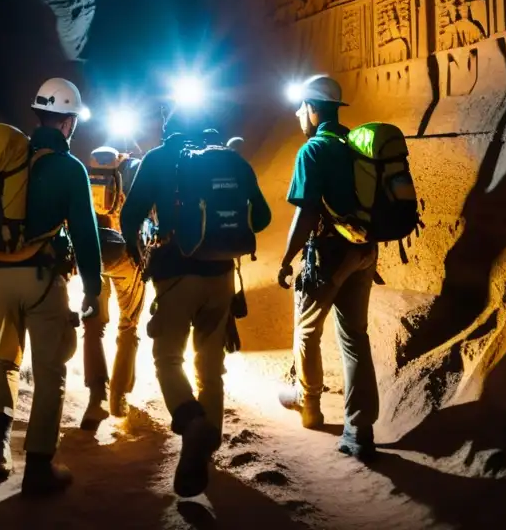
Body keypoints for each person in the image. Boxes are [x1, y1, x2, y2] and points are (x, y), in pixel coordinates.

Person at [121, 107, 272, 498]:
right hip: (221, 277)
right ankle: (205, 455)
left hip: (175, 274)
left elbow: (130, 215)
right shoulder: (228, 159)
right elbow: (263, 217)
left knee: (168, 358)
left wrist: (142, 257)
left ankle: (190, 424)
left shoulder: (156, 159)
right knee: (210, 366)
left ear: (167, 129)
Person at [0, 77, 102, 495]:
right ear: (68, 122)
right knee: (49, 370)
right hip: (41, 278)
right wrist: (92, 289)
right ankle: (39, 465)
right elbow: (85, 234)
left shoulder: (6, 161)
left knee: (4, 358)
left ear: (39, 114)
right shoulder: (69, 169)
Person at [276, 75, 379, 460]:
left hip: (328, 256)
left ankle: (310, 406)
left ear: (312, 108)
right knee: (355, 338)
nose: (299, 116)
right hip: (365, 252)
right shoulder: (357, 145)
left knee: (306, 332)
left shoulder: (314, 150)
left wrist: (287, 259)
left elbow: (305, 213)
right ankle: (360, 429)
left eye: (301, 108)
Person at [80, 147, 146, 427]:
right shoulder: (132, 170)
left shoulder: (87, 170)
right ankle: (118, 397)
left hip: (94, 254)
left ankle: (96, 398)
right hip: (126, 256)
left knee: (93, 325)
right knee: (128, 326)